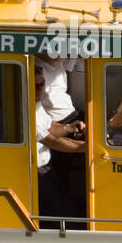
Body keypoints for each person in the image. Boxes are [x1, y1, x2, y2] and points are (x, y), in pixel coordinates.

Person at [35, 62, 86, 222]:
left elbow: (49, 127)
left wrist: (69, 128)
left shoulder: (36, 104)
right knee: (64, 211)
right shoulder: (26, 109)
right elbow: (52, 141)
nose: (40, 89)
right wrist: (86, 148)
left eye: (42, 84)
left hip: (46, 165)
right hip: (37, 171)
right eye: (36, 85)